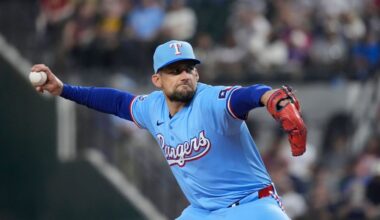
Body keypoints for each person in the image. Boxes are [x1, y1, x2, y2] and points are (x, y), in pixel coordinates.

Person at [31, 40, 307, 219]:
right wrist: (64, 89)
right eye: (174, 71)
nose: (184, 75)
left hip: (252, 207)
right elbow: (116, 101)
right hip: (203, 212)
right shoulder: (153, 109)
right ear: (157, 80)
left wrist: (270, 98)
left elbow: (245, 95)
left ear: (197, 74)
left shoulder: (210, 100)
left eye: (189, 68)